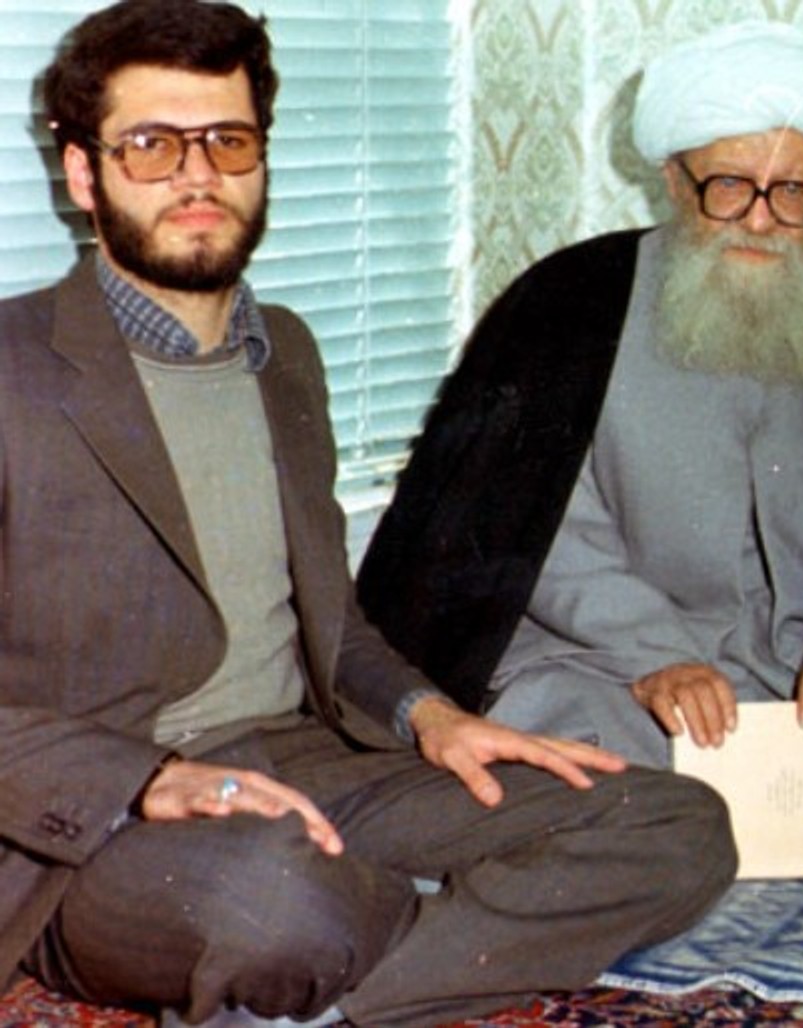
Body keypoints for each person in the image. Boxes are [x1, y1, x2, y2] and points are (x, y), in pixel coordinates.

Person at [1, 3, 736, 1026]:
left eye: (227, 141)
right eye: (152, 145)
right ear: (84, 175)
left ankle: (340, 997)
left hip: (301, 765)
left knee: (674, 820)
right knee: (276, 903)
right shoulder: (12, 367)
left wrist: (432, 718)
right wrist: (151, 778)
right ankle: (381, 934)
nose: (197, 176)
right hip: (94, 825)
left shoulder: (286, 354)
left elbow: (328, 620)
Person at [357, 20, 803, 881]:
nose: (761, 219)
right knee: (555, 732)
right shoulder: (571, 305)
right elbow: (532, 528)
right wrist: (652, 656)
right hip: (619, 666)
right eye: (730, 186)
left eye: (795, 193)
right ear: (675, 179)